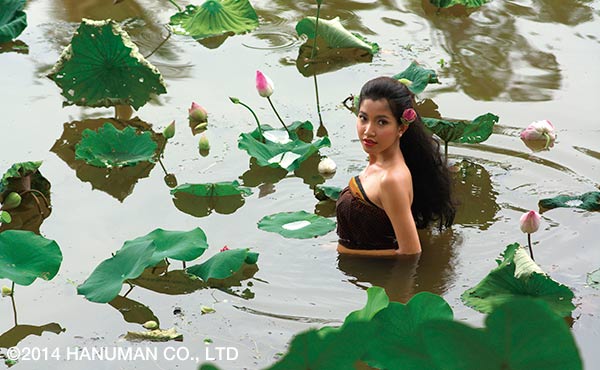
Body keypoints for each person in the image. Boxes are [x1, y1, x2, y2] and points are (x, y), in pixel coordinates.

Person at [336, 76, 455, 257]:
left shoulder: (391, 180)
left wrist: (346, 251)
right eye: (363, 118)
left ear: (401, 128)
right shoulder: (379, 161)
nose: (368, 131)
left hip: (375, 278)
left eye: (381, 122)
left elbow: (410, 252)